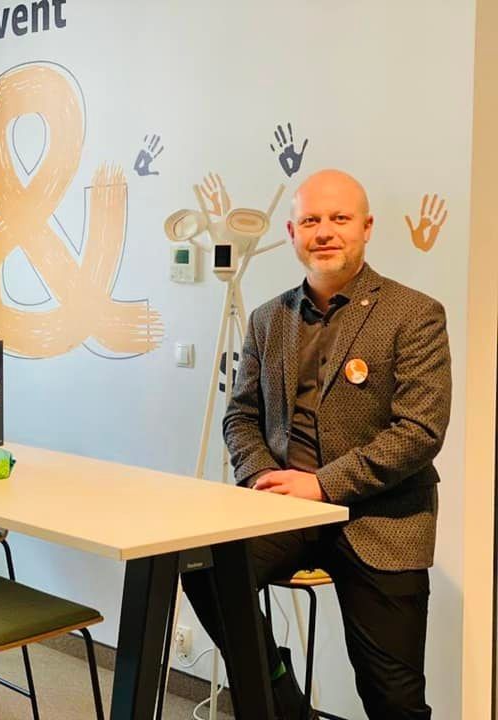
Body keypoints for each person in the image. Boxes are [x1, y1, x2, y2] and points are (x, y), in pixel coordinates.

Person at [183, 169, 451, 720]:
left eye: (339, 218)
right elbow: (241, 416)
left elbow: (419, 431)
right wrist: (263, 477)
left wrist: (322, 486)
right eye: (310, 220)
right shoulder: (267, 319)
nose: (324, 231)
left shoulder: (414, 314)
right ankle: (282, 699)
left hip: (381, 517)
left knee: (393, 698)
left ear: (366, 227)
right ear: (292, 232)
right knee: (200, 566)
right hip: (284, 512)